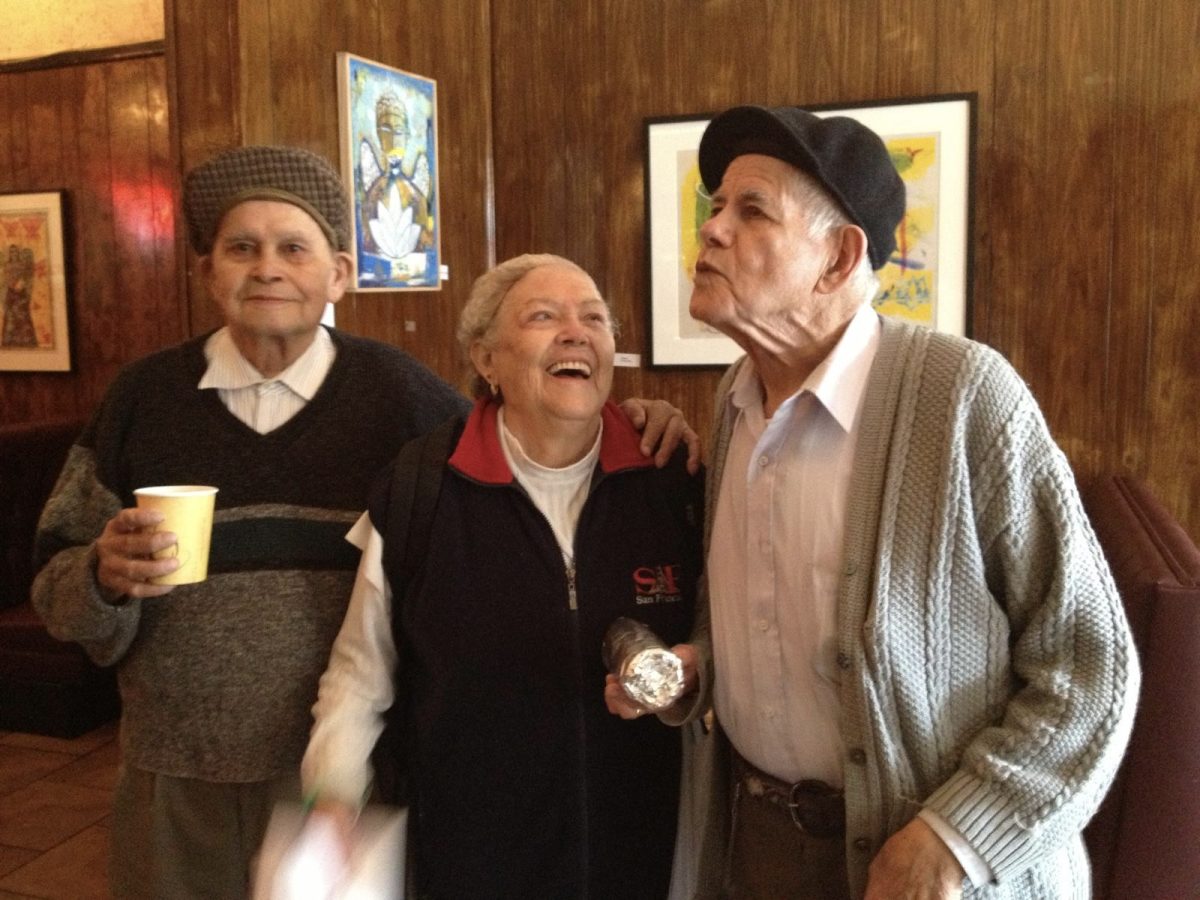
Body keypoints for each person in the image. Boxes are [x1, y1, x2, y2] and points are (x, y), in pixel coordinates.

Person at [30, 147, 696, 900]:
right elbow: (56, 580)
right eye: (241, 248)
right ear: (206, 270)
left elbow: (529, 434)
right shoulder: (141, 400)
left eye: (293, 248)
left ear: (339, 274)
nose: (268, 269)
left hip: (363, 779)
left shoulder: (402, 397)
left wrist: (638, 422)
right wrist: (100, 580)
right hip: (182, 773)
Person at [664, 106, 1140, 899]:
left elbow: (1092, 670)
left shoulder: (964, 396)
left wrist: (957, 839)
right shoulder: (733, 401)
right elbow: (765, 613)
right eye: (715, 206)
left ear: (838, 258)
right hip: (758, 852)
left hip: (932, 871)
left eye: (752, 211)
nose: (711, 231)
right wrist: (702, 665)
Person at [300, 253, 704, 899]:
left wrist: (691, 669)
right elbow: (358, 675)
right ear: (486, 360)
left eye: (594, 318)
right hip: (472, 855)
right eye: (544, 316)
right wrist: (332, 797)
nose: (576, 332)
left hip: (642, 847)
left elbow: (721, 641)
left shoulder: (671, 482)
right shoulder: (421, 490)